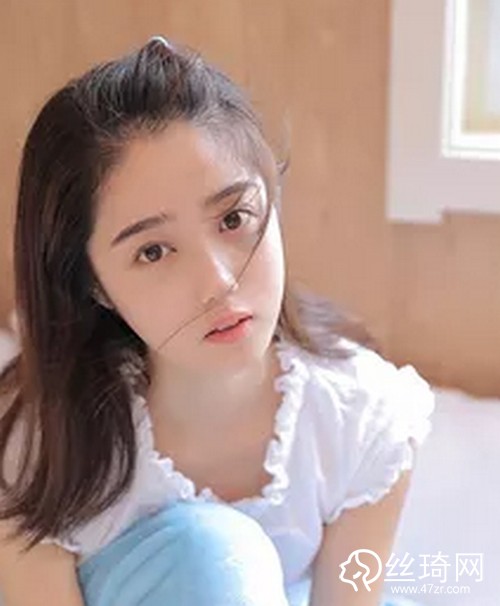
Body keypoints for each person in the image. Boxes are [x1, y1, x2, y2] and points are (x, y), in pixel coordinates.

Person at [0, 36, 435, 606]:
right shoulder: (40, 445)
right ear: (94, 285)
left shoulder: (360, 417)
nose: (219, 282)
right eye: (153, 251)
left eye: (234, 218)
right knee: (213, 558)